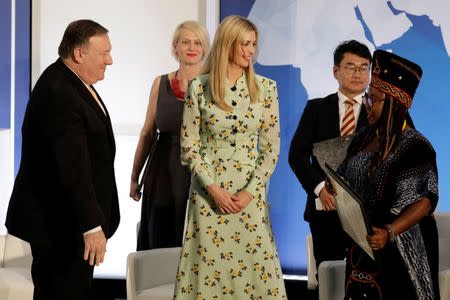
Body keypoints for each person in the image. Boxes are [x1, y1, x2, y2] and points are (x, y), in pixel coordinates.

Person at [173, 15, 287, 299]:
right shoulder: (199, 88)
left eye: (254, 44)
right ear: (227, 44)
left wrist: (250, 193)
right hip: (208, 196)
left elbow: (271, 150)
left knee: (255, 272)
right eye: (244, 44)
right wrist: (213, 188)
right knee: (209, 275)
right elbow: (189, 148)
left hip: (249, 197)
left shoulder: (267, 89)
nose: (251, 51)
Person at [5, 20, 119, 300]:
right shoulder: (60, 92)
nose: (110, 60)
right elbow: (71, 168)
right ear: (79, 54)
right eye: (103, 53)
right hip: (63, 229)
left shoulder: (71, 81)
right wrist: (91, 226)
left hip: (68, 226)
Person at [336, 49, 439, 299]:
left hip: (401, 248)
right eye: (367, 98)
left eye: (374, 100)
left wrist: (390, 232)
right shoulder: (364, 137)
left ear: (393, 103)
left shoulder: (415, 146)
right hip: (366, 246)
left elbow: (425, 201)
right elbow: (346, 174)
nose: (367, 105)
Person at [288, 40, 371, 271]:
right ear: (336, 71)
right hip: (326, 211)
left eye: (364, 67)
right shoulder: (316, 109)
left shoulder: (384, 111)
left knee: (367, 282)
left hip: (369, 215)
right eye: (351, 67)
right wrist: (319, 189)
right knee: (330, 279)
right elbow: (297, 155)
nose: (358, 73)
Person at [129, 20, 210, 250]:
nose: (192, 47)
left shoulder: (212, 84)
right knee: (159, 239)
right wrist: (135, 177)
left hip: (199, 173)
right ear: (175, 47)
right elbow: (147, 132)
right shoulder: (160, 83)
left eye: (197, 43)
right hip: (162, 173)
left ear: (205, 48)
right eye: (186, 42)